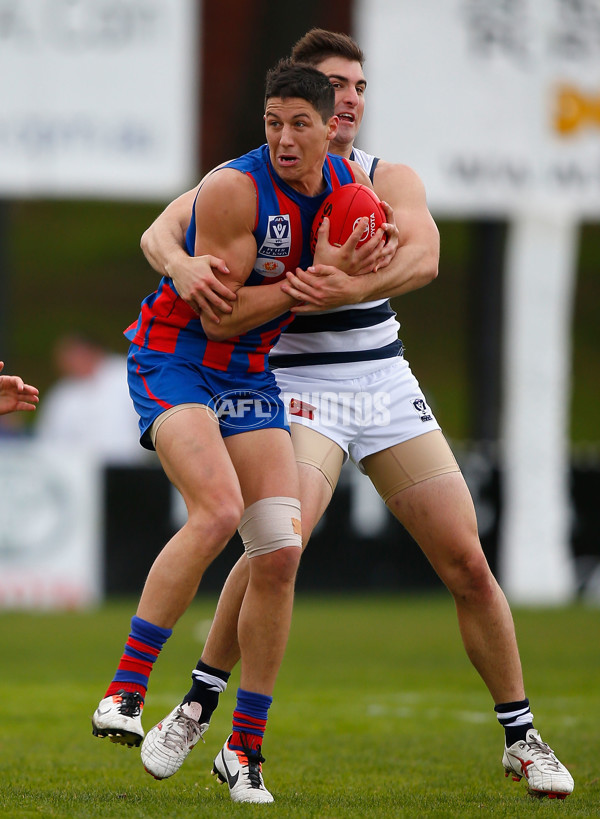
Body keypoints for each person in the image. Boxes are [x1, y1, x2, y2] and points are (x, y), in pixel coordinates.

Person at [138, 31, 574, 800]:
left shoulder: (382, 176)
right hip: (296, 383)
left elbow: (426, 258)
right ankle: (202, 704)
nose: (349, 99)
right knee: (279, 542)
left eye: (360, 87)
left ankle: (522, 735)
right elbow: (160, 231)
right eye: (335, 84)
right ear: (300, 97)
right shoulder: (251, 177)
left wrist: (337, 287)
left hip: (380, 378)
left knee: (467, 560)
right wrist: (179, 263)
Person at [91, 59, 391, 805]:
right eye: (273, 122)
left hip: (249, 376)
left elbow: (377, 257)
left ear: (332, 129)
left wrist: (352, 271)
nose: (284, 139)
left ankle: (244, 749)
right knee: (219, 511)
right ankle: (124, 691)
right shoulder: (234, 187)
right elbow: (220, 312)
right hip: (178, 357)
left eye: (299, 124)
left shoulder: (348, 198)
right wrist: (303, 285)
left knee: (280, 551)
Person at [35, 333, 144, 464]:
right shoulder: (62, 393)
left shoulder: (126, 376)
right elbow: (47, 438)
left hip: (130, 466)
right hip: (77, 471)